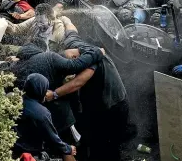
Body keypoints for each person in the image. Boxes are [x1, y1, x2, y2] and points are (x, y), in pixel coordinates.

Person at [45, 29, 130, 161]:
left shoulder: (91, 59)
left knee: (107, 145)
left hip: (113, 106)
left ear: (74, 58)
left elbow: (78, 82)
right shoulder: (78, 45)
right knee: (94, 138)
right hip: (102, 104)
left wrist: (54, 94)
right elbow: (71, 29)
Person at [10, 32, 105, 144]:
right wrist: (97, 53)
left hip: (31, 114)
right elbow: (74, 66)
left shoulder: (20, 65)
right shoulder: (48, 57)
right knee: (68, 147)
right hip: (57, 112)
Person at [13, 73, 77, 161]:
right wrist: (68, 149)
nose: (47, 92)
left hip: (13, 148)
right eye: (45, 89)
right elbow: (52, 138)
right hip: (30, 153)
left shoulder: (14, 101)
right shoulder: (41, 113)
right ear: (40, 90)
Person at [5, 3, 69, 52]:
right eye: (37, 21)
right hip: (28, 50)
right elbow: (16, 29)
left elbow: (52, 51)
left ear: (50, 19)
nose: (38, 25)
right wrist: (2, 23)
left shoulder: (58, 28)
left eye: (41, 22)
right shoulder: (36, 20)